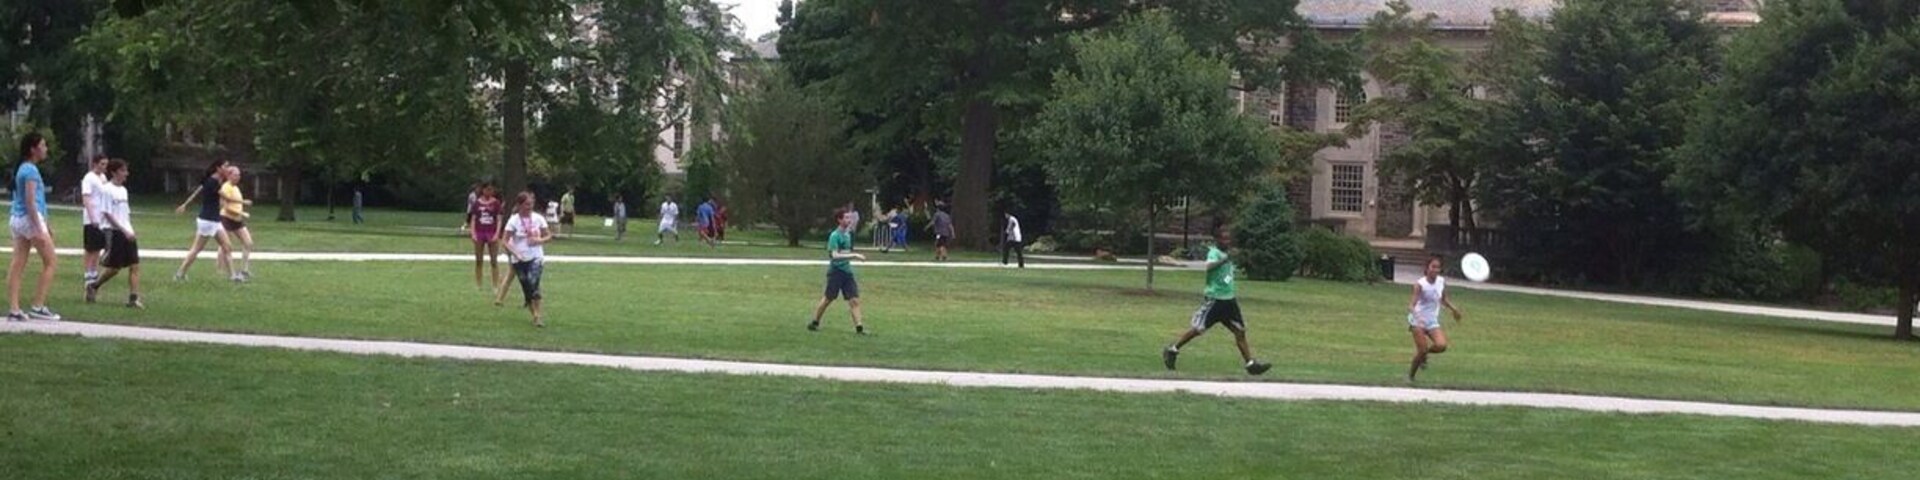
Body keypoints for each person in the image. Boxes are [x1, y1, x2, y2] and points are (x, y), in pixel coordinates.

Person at [1161, 228, 1271, 375]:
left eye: (1228, 239)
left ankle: (1250, 364)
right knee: (1198, 329)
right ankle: (1172, 349)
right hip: (1215, 300)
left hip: (1229, 301)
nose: (1227, 242)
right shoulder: (1214, 253)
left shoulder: (1227, 254)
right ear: (1217, 240)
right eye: (1224, 239)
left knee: (1240, 331)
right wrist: (1224, 260)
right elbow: (1208, 266)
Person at [8, 133, 60, 321]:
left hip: (17, 219)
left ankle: (14, 309)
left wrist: (46, 223)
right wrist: (39, 228)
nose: (46, 149)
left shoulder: (22, 168)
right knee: (51, 262)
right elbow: (31, 202)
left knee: (17, 265)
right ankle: (37, 306)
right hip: (29, 220)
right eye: (43, 145)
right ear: (33, 149)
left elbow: (32, 201)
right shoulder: (30, 171)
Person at [86, 159, 143, 309]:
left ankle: (133, 298)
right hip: (115, 231)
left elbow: (125, 213)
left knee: (135, 265)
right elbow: (107, 214)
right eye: (123, 171)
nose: (126, 174)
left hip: (127, 231)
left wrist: (130, 229)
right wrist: (123, 230)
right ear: (114, 172)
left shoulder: (123, 190)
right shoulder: (107, 190)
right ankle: (94, 285)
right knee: (115, 268)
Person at [807, 207, 868, 335]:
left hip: (847, 272)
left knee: (854, 300)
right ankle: (815, 322)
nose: (849, 220)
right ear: (839, 220)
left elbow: (846, 252)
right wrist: (854, 256)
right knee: (828, 299)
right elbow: (834, 255)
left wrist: (851, 256)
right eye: (846, 218)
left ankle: (859, 328)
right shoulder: (834, 236)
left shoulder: (848, 234)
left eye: (849, 217)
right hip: (836, 272)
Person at [173, 159, 234, 282]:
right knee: (196, 249)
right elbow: (226, 197)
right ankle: (179, 274)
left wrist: (185, 204)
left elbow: (197, 192)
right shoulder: (212, 182)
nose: (228, 168)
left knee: (227, 246)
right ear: (218, 168)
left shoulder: (214, 180)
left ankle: (233, 276)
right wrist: (242, 201)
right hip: (207, 221)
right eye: (226, 166)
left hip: (214, 220)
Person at [1406, 256, 1465, 382]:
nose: (1436, 270)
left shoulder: (1441, 282)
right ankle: (1411, 376)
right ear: (1427, 268)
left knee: (1441, 345)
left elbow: (1443, 299)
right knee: (1421, 350)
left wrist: (1454, 310)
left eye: (1438, 267)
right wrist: (1417, 317)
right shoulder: (1420, 284)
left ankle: (1424, 356)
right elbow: (1411, 305)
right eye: (1433, 267)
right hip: (1418, 320)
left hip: (1432, 320)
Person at [503, 192, 552, 327]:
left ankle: (537, 316)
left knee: (533, 283)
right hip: (519, 259)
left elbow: (549, 236)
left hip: (536, 257)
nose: (529, 207)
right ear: (519, 205)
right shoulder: (513, 220)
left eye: (531, 204)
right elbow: (505, 241)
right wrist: (515, 253)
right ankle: (533, 311)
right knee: (527, 288)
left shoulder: (539, 219)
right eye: (526, 204)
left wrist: (539, 240)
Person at [219, 165, 256, 282]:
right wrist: (242, 213)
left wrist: (240, 213)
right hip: (227, 219)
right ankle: (222, 269)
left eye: (239, 175)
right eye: (236, 174)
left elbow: (236, 203)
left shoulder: (235, 188)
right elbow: (224, 206)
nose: (238, 177)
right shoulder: (226, 188)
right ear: (229, 175)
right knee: (225, 245)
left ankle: (244, 270)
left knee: (248, 242)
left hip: (237, 220)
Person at [467, 182, 505, 290]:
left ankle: (495, 285)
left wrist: (497, 234)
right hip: (479, 232)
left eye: (491, 190)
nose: (489, 192)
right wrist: (473, 233)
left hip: (491, 232)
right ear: (483, 190)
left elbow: (499, 220)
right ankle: (478, 284)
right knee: (479, 260)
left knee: (494, 260)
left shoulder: (496, 203)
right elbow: (473, 219)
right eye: (487, 189)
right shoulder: (477, 203)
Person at [79, 154, 110, 283]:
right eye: (102, 164)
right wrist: (93, 217)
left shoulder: (103, 177)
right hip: (92, 218)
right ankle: (88, 272)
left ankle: (94, 270)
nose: (104, 167)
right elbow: (86, 198)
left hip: (102, 218)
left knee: (98, 247)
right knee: (90, 247)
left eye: (105, 164)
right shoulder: (89, 178)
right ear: (95, 164)